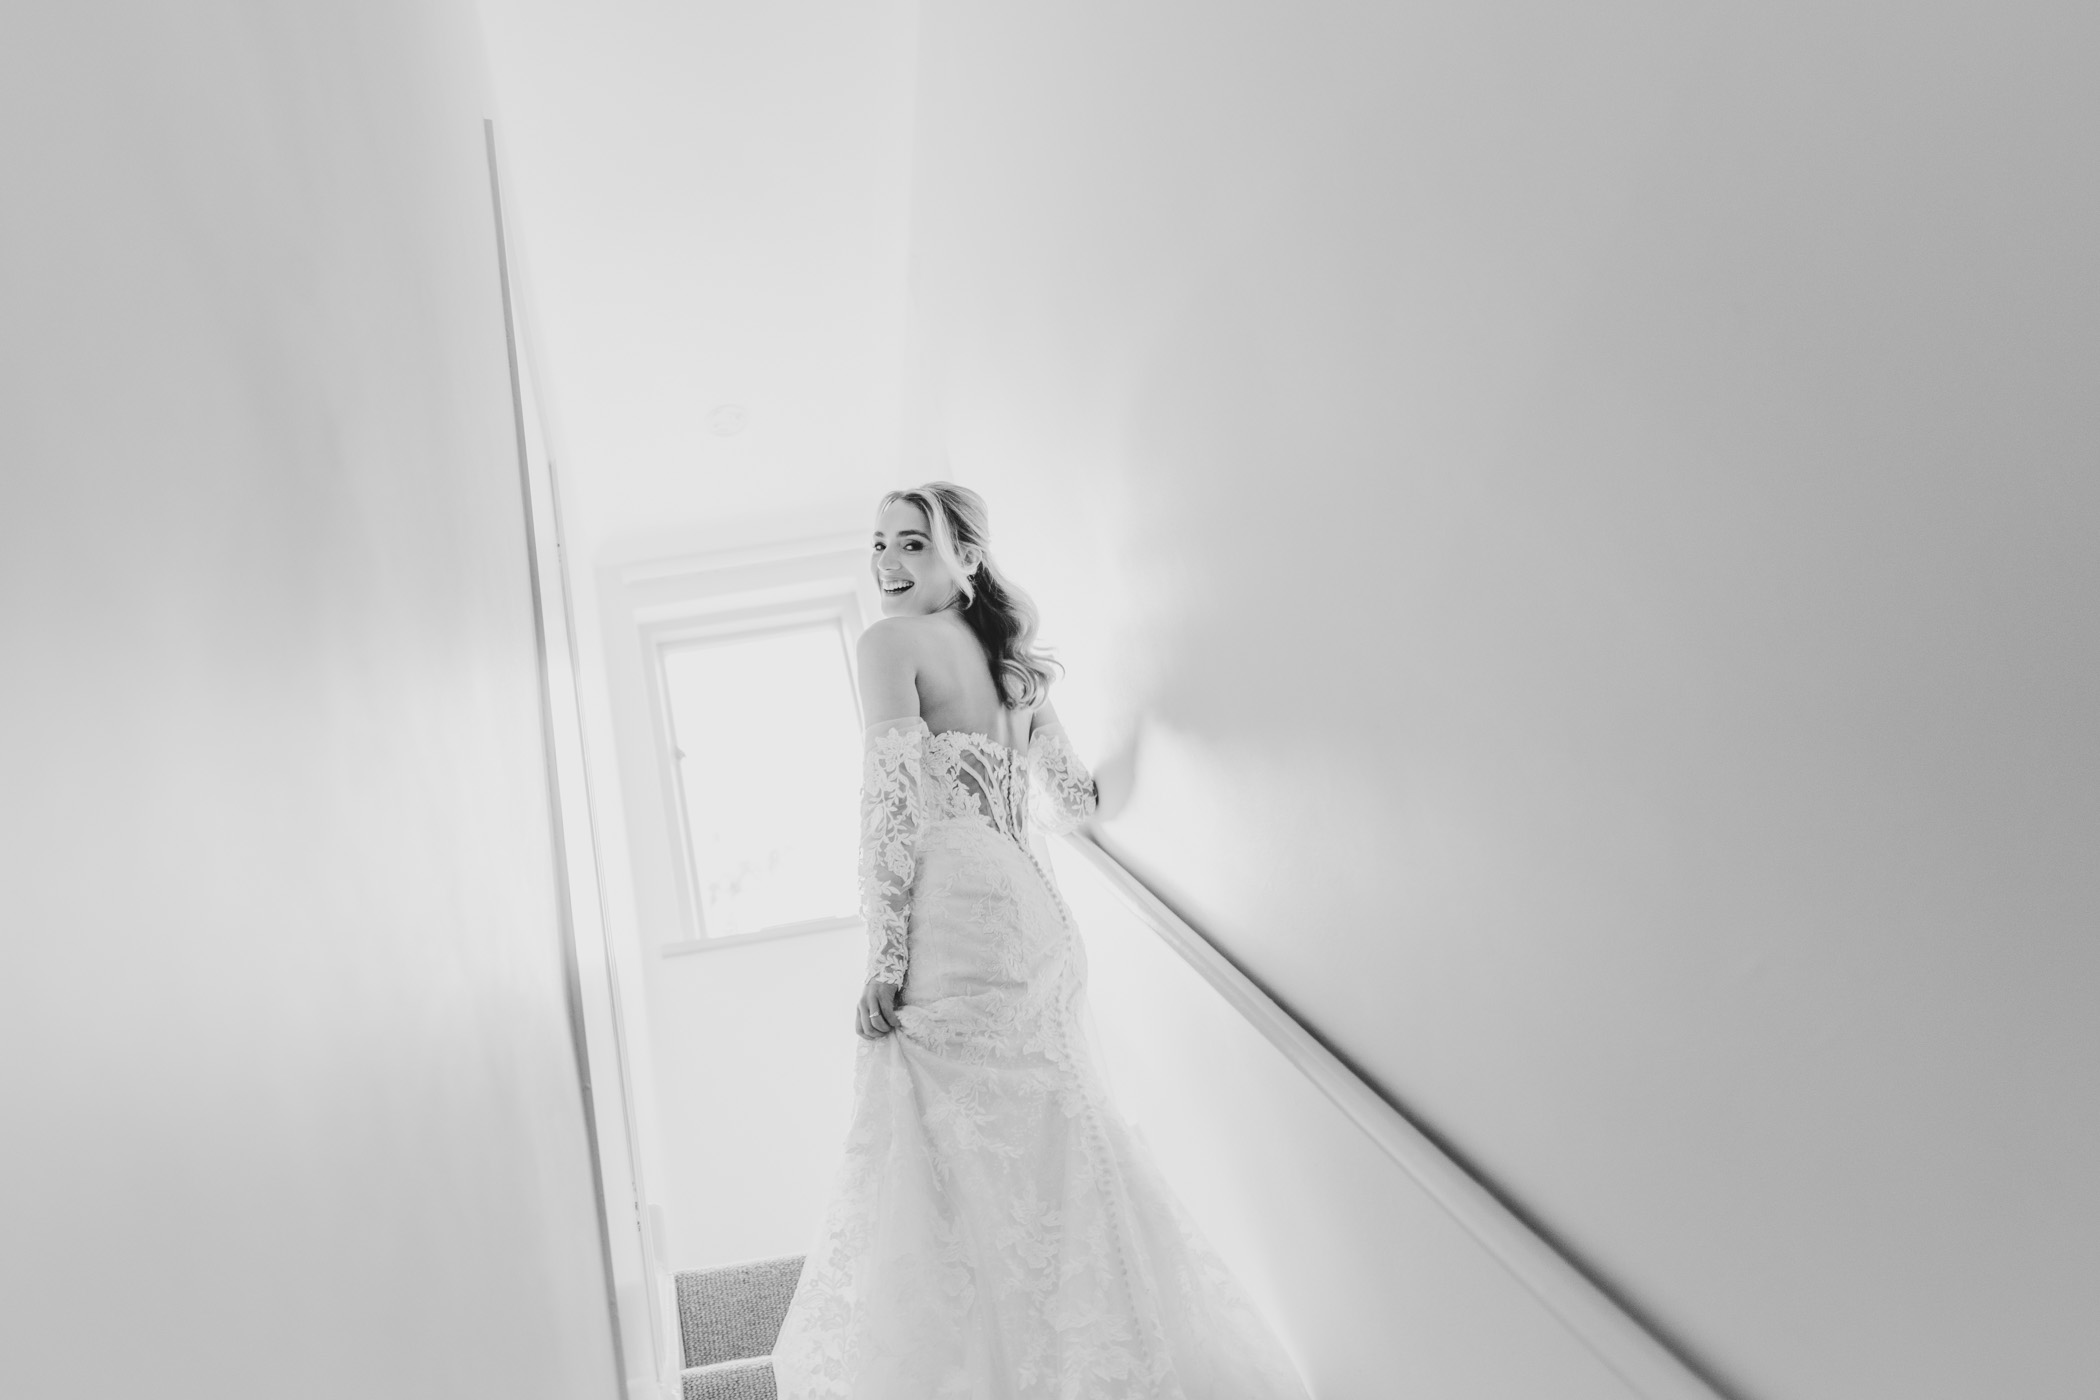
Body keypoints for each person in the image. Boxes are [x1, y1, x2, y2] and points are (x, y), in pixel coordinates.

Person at [771, 483, 1309, 1399]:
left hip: (961, 912)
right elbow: (1080, 800)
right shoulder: (1015, 669)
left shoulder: (889, 645)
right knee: (1060, 1141)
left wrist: (886, 959)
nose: (889, 565)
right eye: (879, 545)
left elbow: (893, 812)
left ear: (967, 558)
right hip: (1040, 917)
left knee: (958, 1157)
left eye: (913, 544)